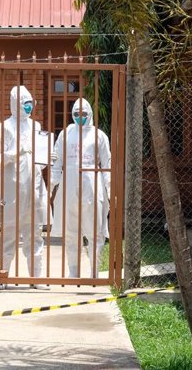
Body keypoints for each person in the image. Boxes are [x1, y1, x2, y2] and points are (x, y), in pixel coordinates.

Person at [51, 97, 111, 278]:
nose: (80, 117)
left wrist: (110, 188)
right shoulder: (65, 134)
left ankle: (94, 272)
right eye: (76, 114)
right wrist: (52, 184)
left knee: (95, 230)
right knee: (71, 231)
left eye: (84, 114)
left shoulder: (98, 135)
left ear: (90, 114)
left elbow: (107, 164)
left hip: (92, 187)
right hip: (69, 187)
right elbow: (57, 161)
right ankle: (73, 271)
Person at [0, 85, 48, 289]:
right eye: (24, 103)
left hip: (34, 188)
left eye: (30, 103)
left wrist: (46, 158)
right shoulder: (6, 127)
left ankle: (35, 278)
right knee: (9, 233)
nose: (28, 107)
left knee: (35, 233)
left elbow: (39, 156)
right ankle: (3, 277)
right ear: (15, 104)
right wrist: (16, 152)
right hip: (13, 189)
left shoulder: (36, 127)